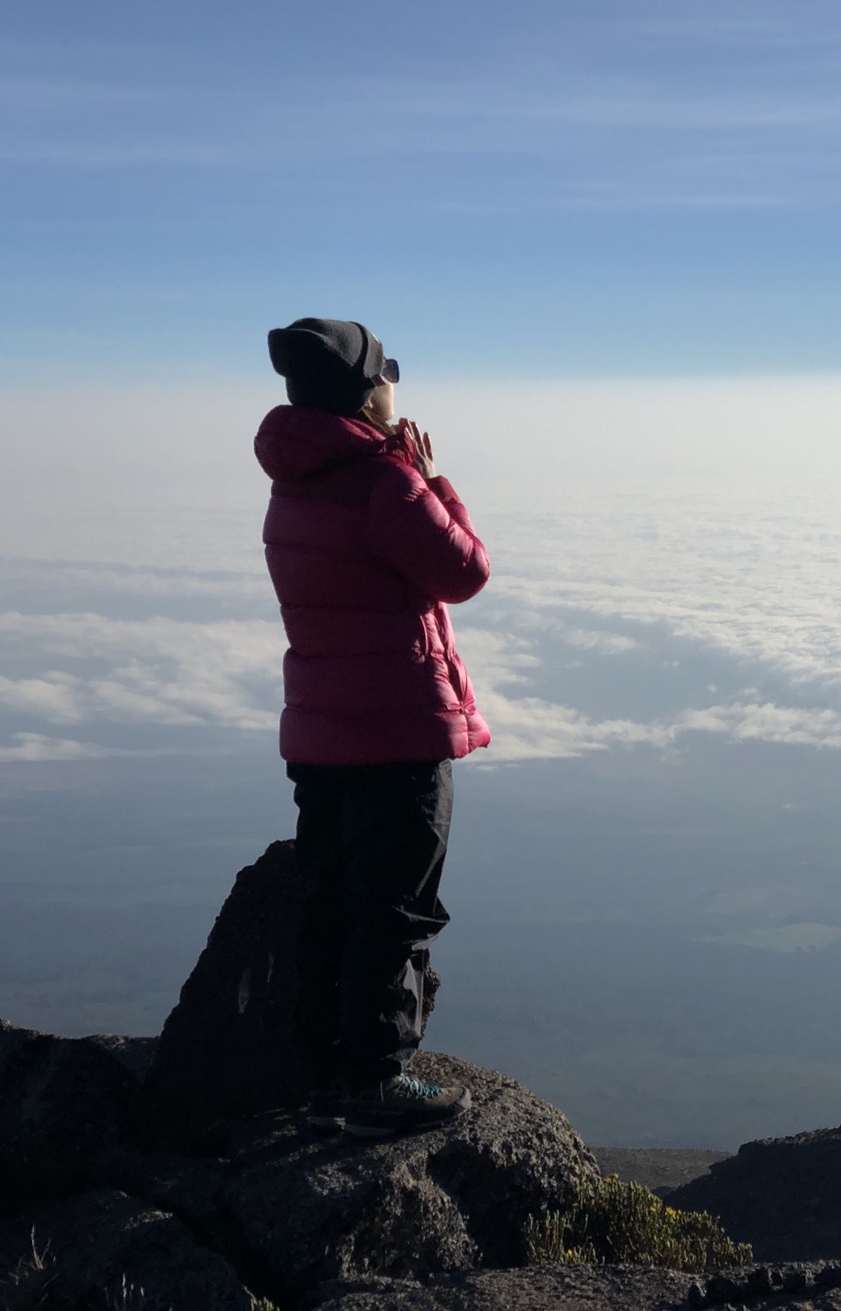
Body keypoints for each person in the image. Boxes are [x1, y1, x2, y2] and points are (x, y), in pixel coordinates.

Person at [255, 317, 492, 1138]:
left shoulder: (295, 481)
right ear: (368, 392)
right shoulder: (383, 483)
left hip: (323, 733)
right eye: (389, 374)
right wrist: (433, 481)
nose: (397, 386)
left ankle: (319, 1062)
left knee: (329, 894)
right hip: (398, 728)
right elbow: (464, 571)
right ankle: (375, 1076)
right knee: (397, 905)